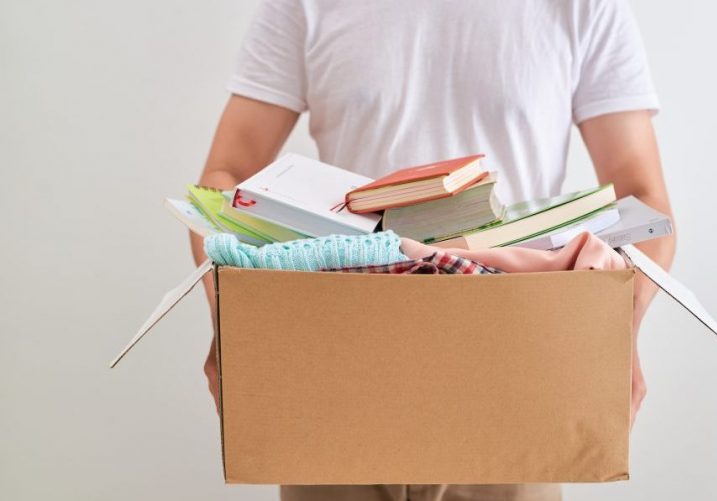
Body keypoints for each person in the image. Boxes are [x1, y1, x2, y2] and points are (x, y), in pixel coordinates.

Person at [190, 0, 676, 499]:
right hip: (338, 373)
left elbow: (642, 200)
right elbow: (226, 179)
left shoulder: (584, 7)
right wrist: (233, 318)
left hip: (515, 380)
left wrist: (616, 333)